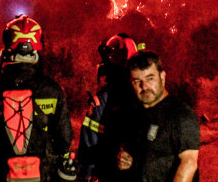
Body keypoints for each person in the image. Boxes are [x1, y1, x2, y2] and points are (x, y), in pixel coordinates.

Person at [0, 15, 73, 182]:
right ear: (37, 48)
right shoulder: (52, 90)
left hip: (1, 175)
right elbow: (64, 139)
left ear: (8, 45)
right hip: (42, 175)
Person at [117, 51, 200, 182]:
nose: (144, 86)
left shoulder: (181, 114)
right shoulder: (134, 114)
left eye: (150, 78)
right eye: (137, 81)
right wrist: (124, 159)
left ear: (162, 77)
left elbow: (189, 163)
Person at [78, 33, 139, 182]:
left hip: (106, 174)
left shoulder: (101, 100)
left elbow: (89, 144)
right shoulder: (142, 96)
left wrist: (85, 176)